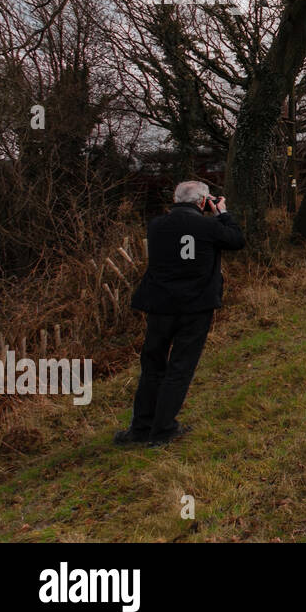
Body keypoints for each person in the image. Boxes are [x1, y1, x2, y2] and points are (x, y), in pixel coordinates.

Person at [115, 181, 245, 448]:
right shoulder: (210, 227)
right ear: (202, 202)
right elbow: (237, 240)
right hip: (195, 307)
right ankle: (163, 430)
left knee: (152, 367)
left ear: (175, 199)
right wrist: (221, 212)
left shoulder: (156, 226)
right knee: (180, 368)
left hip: (160, 306)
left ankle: (140, 428)